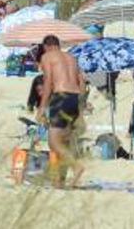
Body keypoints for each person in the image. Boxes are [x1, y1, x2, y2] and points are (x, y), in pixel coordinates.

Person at [37, 34, 85, 188]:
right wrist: (80, 105)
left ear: (47, 46)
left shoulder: (47, 57)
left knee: (54, 142)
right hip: (74, 97)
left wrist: (42, 107)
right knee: (64, 142)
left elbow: (48, 82)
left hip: (61, 97)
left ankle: (76, 166)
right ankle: (59, 181)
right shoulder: (71, 57)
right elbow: (82, 81)